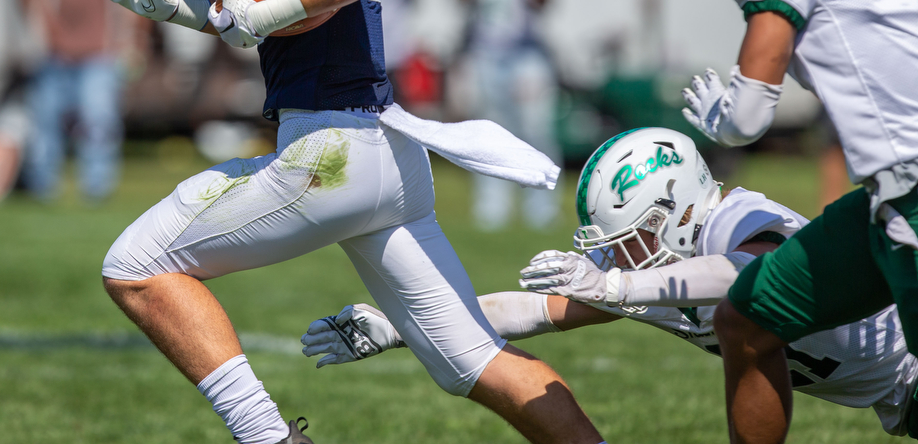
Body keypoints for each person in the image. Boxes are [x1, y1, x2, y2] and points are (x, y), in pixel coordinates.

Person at [86, 0, 597, 444]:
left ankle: (268, 438)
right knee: (477, 363)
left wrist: (251, 16)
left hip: (332, 150)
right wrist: (189, 12)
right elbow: (301, 4)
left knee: (135, 264)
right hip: (385, 151)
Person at [302, 128, 918, 438]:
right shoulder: (655, 273)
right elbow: (534, 311)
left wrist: (617, 289)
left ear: (674, 211)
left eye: (629, 238)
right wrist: (401, 324)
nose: (620, 259)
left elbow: (750, 274)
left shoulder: (738, 219)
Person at [678, 0, 918, 443]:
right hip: (887, 198)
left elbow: (752, 111)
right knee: (749, 318)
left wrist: (720, 121)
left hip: (912, 194)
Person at [20, 0, 138, 201]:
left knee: (99, 120)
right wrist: (45, 25)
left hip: (100, 47)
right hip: (57, 49)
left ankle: (96, 188)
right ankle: (43, 185)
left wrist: (131, 40)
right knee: (46, 119)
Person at [456, 0, 563, 230]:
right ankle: (492, 206)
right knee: (491, 130)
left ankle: (541, 207)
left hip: (526, 56)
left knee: (536, 129)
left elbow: (545, 2)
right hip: (488, 55)